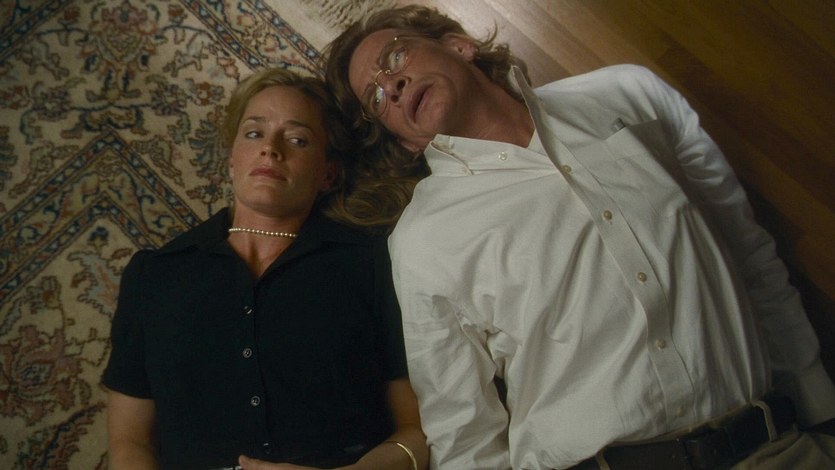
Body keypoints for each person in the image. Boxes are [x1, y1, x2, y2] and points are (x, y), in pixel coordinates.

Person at [323, 5, 835, 469]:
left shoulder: (627, 94)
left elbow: (748, 254)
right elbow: (462, 433)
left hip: (776, 449)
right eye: (377, 97)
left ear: (459, 45)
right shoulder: (422, 241)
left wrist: (821, 407)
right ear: (407, 142)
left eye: (395, 57)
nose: (391, 85)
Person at [102, 68, 428, 470]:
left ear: (328, 173)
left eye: (298, 139)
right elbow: (130, 441)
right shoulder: (154, 277)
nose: (270, 149)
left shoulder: (373, 267)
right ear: (231, 160)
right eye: (254, 133)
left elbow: (418, 431)